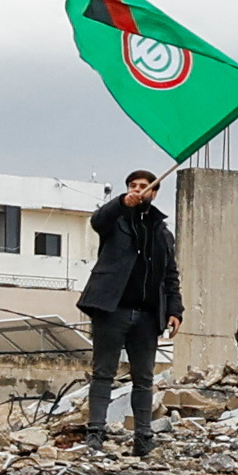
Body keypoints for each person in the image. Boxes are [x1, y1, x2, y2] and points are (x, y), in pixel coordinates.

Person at [76, 163, 184, 455]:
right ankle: (95, 433)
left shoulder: (162, 233)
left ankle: (143, 437)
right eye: (133, 186)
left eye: (143, 186)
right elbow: (98, 220)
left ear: (155, 192)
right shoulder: (116, 220)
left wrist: (175, 310)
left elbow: (170, 274)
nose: (138, 190)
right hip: (112, 309)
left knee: (144, 378)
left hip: (148, 315)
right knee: (103, 373)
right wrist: (122, 204)